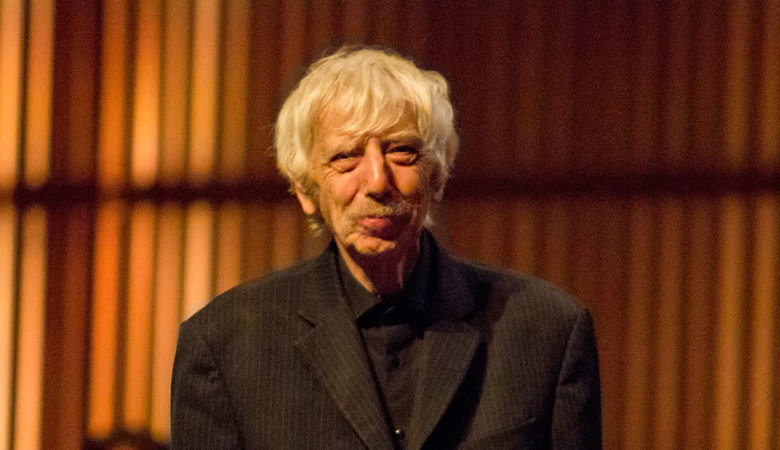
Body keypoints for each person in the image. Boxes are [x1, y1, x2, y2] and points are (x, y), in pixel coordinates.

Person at [171, 46, 602, 450]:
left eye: (402, 151)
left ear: (438, 176)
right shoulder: (223, 346)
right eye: (346, 156)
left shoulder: (548, 332)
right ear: (305, 189)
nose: (378, 181)